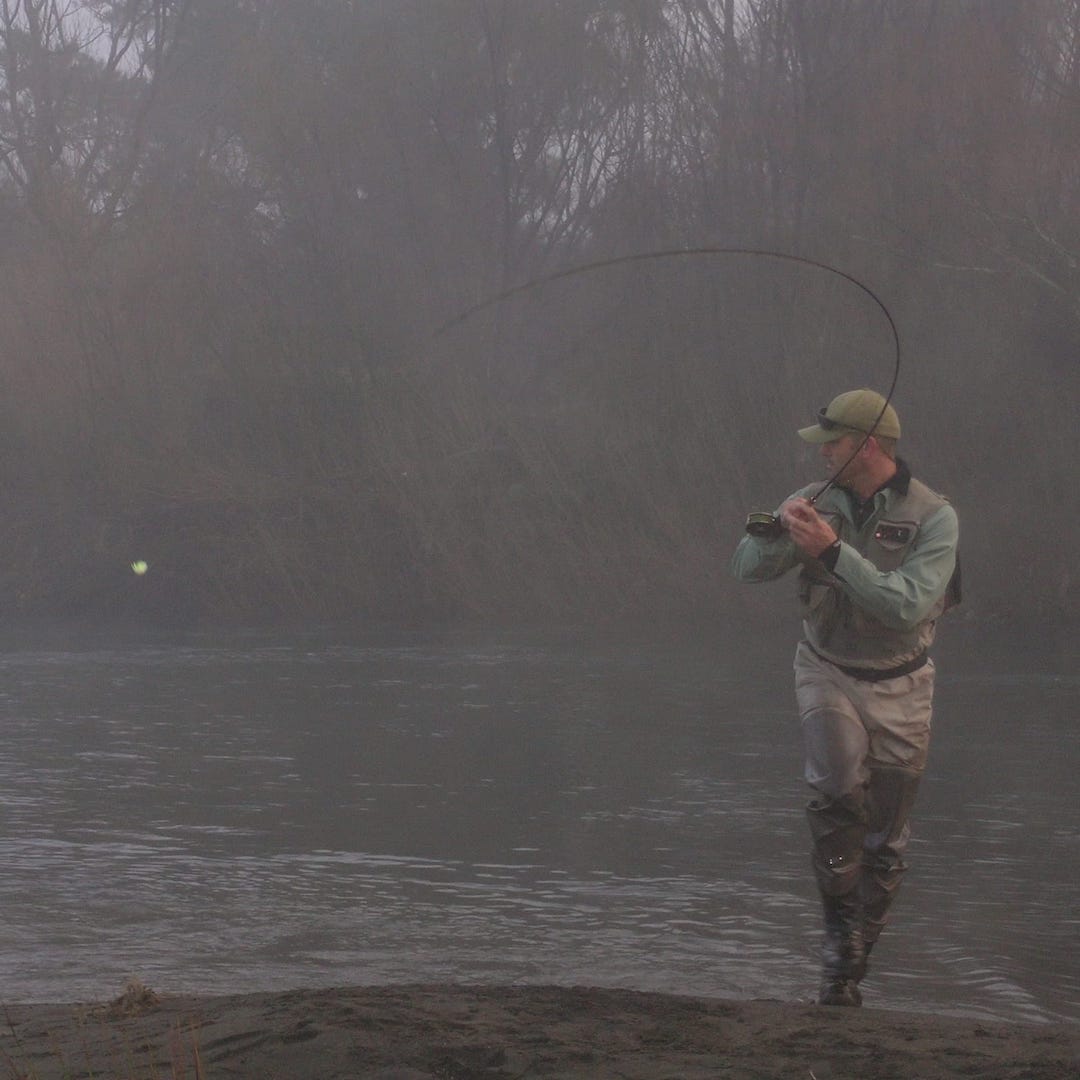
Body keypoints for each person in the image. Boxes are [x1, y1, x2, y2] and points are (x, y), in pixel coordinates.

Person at [730, 388, 960, 1007]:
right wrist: (783, 530)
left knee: (885, 840)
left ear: (865, 446)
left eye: (830, 441)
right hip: (825, 667)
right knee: (834, 791)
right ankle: (837, 939)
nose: (821, 451)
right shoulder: (811, 499)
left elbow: (907, 604)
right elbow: (745, 568)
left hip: (904, 684)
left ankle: (853, 957)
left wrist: (832, 551)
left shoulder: (936, 517)